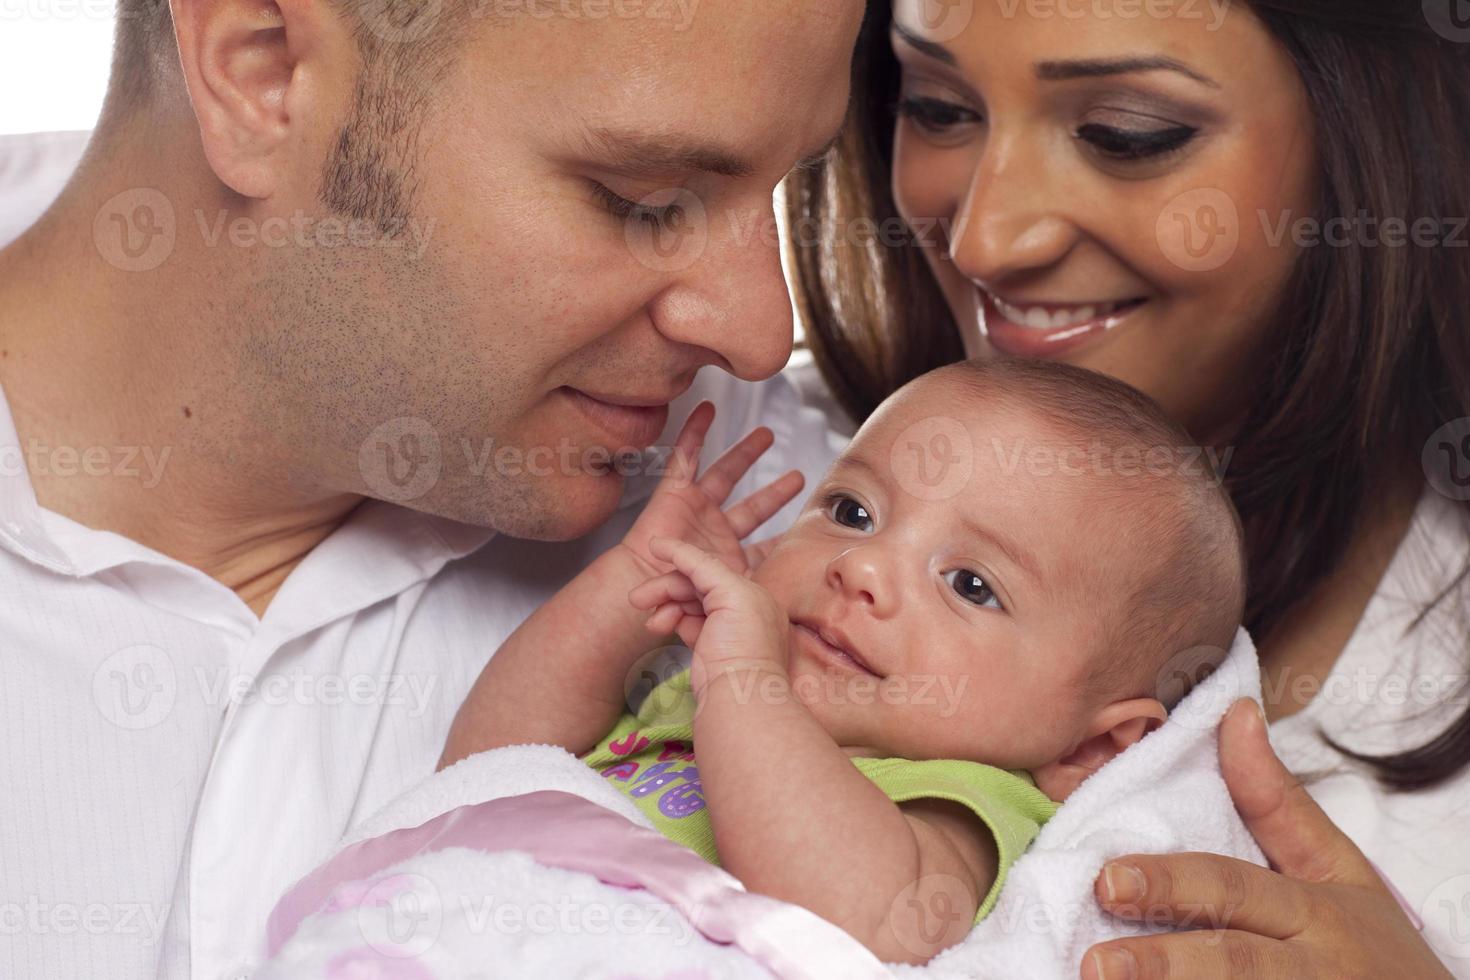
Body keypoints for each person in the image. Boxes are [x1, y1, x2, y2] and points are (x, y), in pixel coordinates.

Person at [0, 0, 865, 976]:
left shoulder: (772, 501)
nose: (758, 330)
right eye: (648, 200)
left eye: (785, 187)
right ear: (259, 69)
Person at [785, 0, 1470, 976]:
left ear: (1383, 137)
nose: (986, 239)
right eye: (938, 108)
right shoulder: (755, 465)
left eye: (1126, 135)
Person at [441, 357, 1247, 964]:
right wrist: (634, 580)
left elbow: (869, 922)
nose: (861, 568)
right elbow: (487, 764)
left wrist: (746, 683)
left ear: (1093, 748)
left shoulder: (961, 800)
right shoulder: (688, 682)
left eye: (970, 584)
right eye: (852, 511)